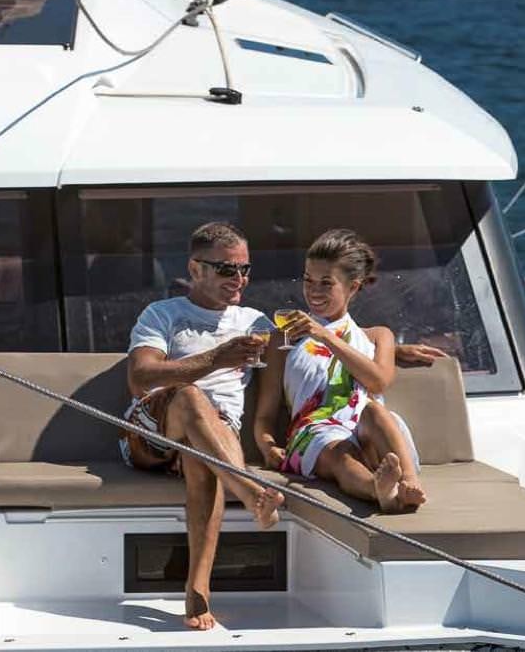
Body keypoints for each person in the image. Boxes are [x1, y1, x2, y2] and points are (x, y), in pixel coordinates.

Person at [121, 221, 284, 631]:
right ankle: (248, 491)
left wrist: (385, 344)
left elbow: (300, 362)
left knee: (204, 454)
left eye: (246, 270)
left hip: (215, 433)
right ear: (196, 270)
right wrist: (217, 358)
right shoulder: (163, 314)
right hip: (153, 429)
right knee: (193, 397)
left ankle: (198, 589)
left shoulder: (257, 322)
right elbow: (140, 378)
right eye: (228, 269)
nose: (240, 279)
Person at [254, 228, 427, 513]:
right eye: (308, 280)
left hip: (370, 432)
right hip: (314, 434)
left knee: (374, 410)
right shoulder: (282, 340)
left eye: (326, 283)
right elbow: (265, 414)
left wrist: (326, 337)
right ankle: (379, 490)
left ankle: (409, 484)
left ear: (353, 287)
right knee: (338, 452)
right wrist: (266, 446)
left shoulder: (377, 336)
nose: (313, 291)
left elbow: (379, 382)